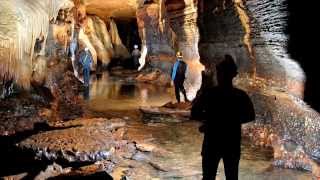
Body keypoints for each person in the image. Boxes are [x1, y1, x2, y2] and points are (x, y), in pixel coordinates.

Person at [191, 55, 255, 180]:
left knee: (208, 177)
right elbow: (250, 116)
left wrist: (209, 121)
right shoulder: (241, 96)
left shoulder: (209, 94)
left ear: (219, 74)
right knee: (232, 177)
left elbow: (194, 113)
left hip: (211, 142)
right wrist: (233, 121)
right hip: (232, 142)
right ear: (233, 75)